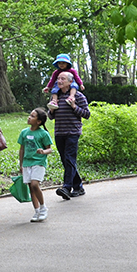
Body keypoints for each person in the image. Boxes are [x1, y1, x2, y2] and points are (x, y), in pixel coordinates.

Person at [50, 71, 91, 200]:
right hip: (59, 132)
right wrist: (51, 110)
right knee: (66, 160)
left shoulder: (78, 96)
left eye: (62, 79)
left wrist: (74, 106)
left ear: (70, 81)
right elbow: (50, 116)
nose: (59, 81)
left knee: (69, 158)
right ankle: (78, 187)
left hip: (73, 132)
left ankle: (67, 188)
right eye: (58, 79)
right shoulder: (55, 97)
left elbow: (87, 114)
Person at [18, 108, 54, 222]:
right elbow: (22, 149)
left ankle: (43, 208)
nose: (29, 117)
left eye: (33, 116)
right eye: (30, 115)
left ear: (39, 122)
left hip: (38, 162)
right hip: (27, 163)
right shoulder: (24, 132)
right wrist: (21, 164)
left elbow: (50, 149)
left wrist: (43, 152)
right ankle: (37, 211)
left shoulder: (43, 134)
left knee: (34, 184)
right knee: (30, 188)